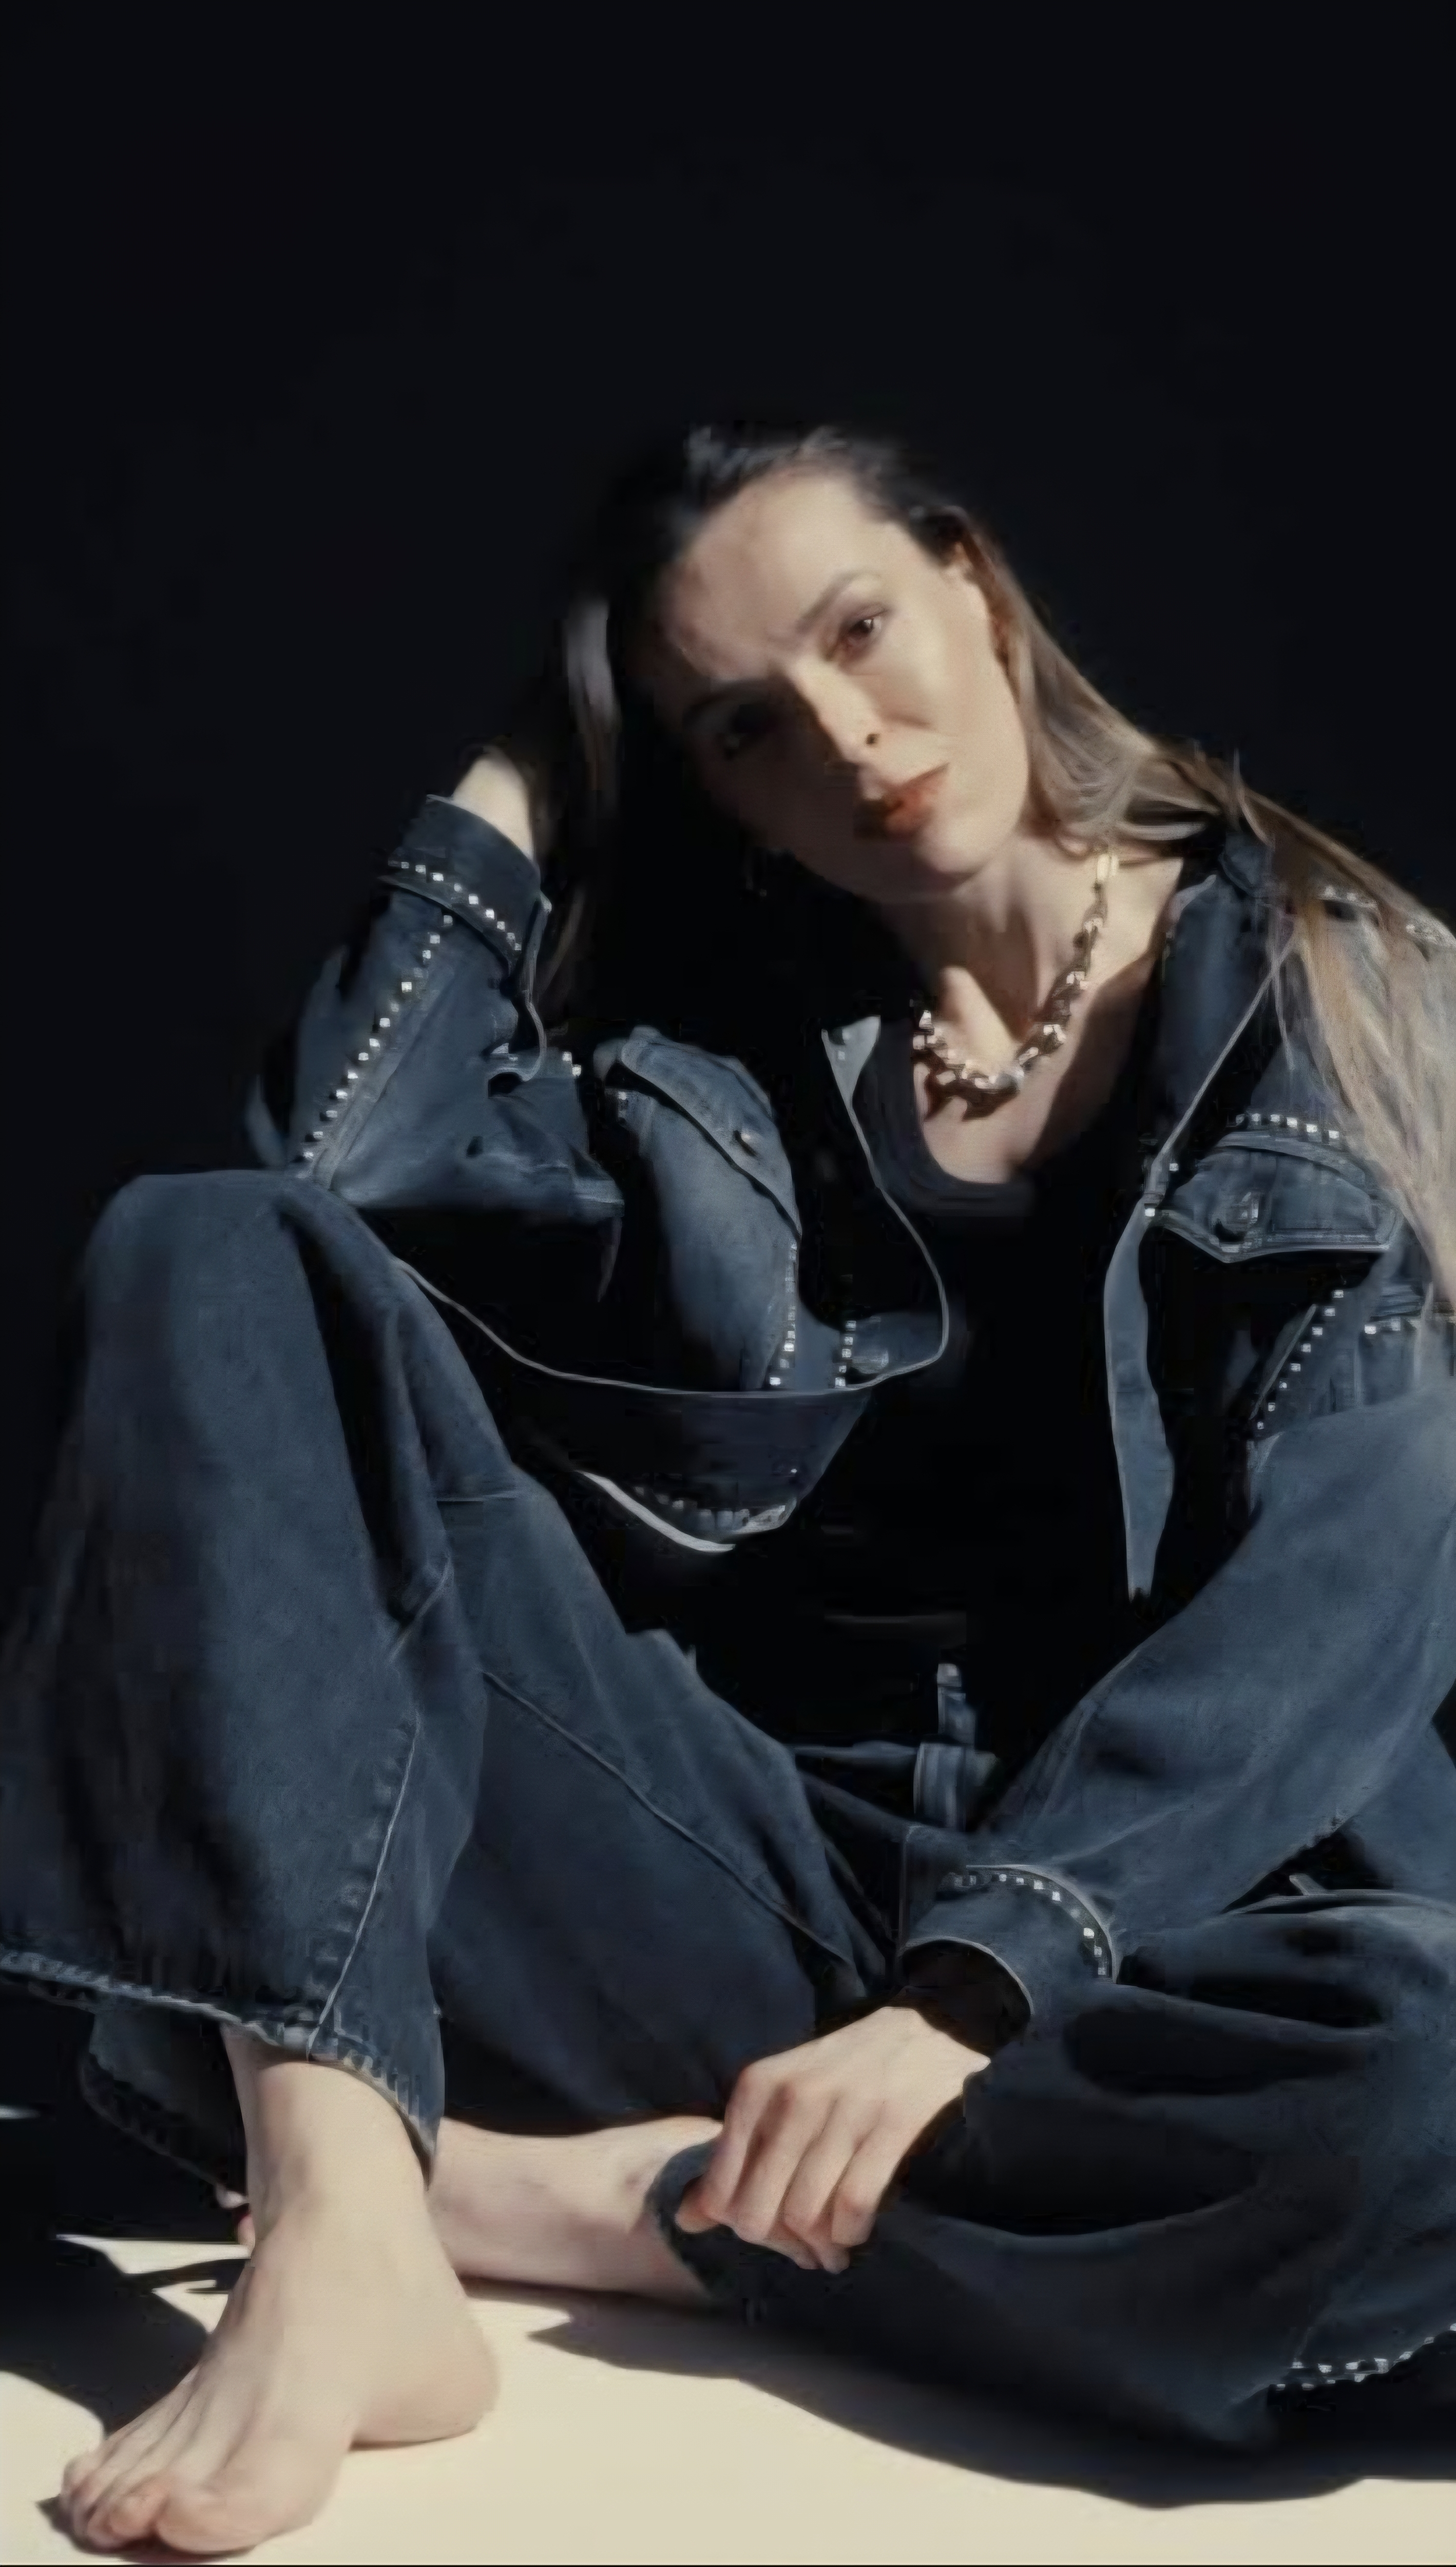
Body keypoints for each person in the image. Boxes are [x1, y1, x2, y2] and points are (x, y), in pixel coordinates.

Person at [3, 420, 1454, 2556]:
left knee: (1430, 2068)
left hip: (1164, 1931)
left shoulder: (1344, 985)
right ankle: (335, 2206)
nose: (843, 737)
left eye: (860, 630)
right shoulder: (709, 1060)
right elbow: (317, 1174)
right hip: (728, 1861)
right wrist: (526, 775)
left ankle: (621, 2208)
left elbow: (1358, 1570)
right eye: (744, 726)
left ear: (973, 583)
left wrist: (977, 1979)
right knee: (200, 1249)